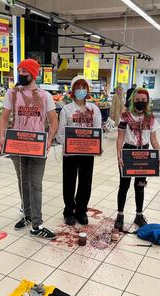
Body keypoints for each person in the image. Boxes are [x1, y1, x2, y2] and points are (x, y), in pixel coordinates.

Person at [0, 59, 58, 240]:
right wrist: (2, 136)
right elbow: (3, 118)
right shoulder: (12, 93)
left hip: (37, 145)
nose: (21, 74)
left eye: (24, 71)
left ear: (33, 74)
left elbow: (53, 120)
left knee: (36, 184)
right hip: (17, 144)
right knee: (22, 181)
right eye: (19, 70)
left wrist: (49, 139)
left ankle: (37, 224)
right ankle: (27, 214)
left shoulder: (45, 96)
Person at [115, 88, 160, 231]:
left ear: (147, 101)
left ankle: (139, 214)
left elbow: (154, 139)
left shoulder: (151, 118)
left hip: (145, 154)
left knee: (140, 185)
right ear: (132, 101)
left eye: (143, 100)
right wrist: (119, 155)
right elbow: (120, 137)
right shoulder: (125, 117)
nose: (140, 102)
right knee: (124, 186)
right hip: (128, 152)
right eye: (137, 100)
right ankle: (120, 215)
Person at [57, 75, 102, 226]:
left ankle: (81, 210)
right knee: (69, 182)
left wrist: (97, 146)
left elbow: (97, 130)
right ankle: (69, 210)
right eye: (78, 87)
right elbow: (60, 133)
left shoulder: (94, 109)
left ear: (88, 90)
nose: (81, 90)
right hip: (70, 153)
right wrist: (70, 144)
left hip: (87, 153)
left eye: (84, 87)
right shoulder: (66, 109)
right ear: (72, 90)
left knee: (85, 182)